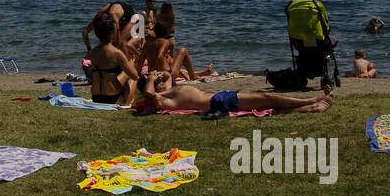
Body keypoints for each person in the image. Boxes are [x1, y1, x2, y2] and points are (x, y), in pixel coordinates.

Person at [135, 71, 333, 115]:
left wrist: (159, 76)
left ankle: (313, 107)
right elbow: (149, 95)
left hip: (221, 97)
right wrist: (150, 80)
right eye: (157, 83)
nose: (161, 82)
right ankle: (311, 99)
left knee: (267, 104)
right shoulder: (161, 99)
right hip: (218, 102)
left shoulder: (167, 90)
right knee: (266, 98)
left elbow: (168, 75)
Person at [87, 13, 140, 106]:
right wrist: (132, 63)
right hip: (114, 99)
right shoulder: (116, 53)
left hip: (96, 97)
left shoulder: (91, 53)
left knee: (109, 73)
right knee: (134, 75)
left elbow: (90, 76)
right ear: (112, 33)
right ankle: (129, 102)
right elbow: (134, 76)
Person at [135, 19, 214, 81]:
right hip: (166, 75)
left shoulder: (147, 44)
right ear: (166, 33)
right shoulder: (164, 42)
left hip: (152, 74)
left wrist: (137, 76)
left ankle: (193, 74)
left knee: (168, 57)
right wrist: (161, 72)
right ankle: (192, 76)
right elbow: (159, 56)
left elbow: (140, 61)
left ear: (155, 31)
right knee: (183, 50)